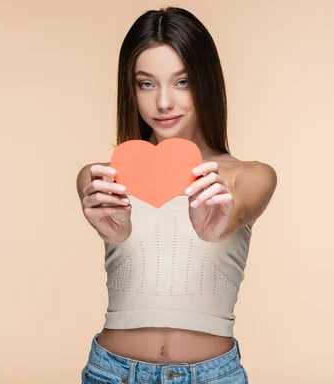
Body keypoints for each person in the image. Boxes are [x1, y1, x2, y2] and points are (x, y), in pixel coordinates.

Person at [76, 7, 277, 384]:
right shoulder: (103, 178)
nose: (164, 102)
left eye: (182, 82)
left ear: (206, 83)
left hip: (211, 376)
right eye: (146, 83)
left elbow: (242, 205)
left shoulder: (248, 176)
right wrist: (114, 232)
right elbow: (115, 231)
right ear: (130, 89)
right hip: (112, 373)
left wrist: (222, 222)